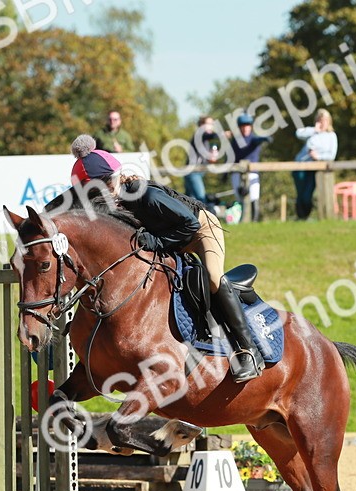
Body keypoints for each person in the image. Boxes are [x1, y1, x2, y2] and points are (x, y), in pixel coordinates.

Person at [70, 134, 264, 382]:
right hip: (167, 234)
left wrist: (157, 242)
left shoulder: (146, 196)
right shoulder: (111, 198)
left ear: (111, 181)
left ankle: (247, 350)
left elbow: (190, 225)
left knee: (213, 278)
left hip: (200, 229)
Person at [292, 110, 337, 221]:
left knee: (308, 195)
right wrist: (314, 130)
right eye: (320, 120)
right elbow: (298, 133)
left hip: (315, 169)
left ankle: (305, 216)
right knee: (300, 194)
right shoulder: (312, 133)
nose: (323, 123)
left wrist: (318, 156)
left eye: (325, 120)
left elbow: (331, 155)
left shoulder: (331, 136)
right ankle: (301, 217)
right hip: (301, 166)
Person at [225, 113, 271, 222]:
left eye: (247, 125)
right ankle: (241, 219)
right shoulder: (235, 141)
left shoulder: (253, 139)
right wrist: (225, 173)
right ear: (240, 127)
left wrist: (265, 138)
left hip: (252, 172)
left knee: (254, 196)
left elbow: (257, 140)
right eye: (243, 126)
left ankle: (254, 221)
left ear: (250, 127)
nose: (245, 128)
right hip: (237, 172)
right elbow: (231, 157)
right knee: (239, 197)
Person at [184, 116, 221, 205]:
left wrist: (212, 158)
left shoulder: (205, 141)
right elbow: (211, 136)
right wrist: (222, 134)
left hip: (196, 173)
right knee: (201, 199)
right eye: (209, 124)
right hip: (193, 173)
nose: (211, 126)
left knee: (189, 202)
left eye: (212, 124)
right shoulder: (199, 135)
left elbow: (205, 159)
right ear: (201, 125)